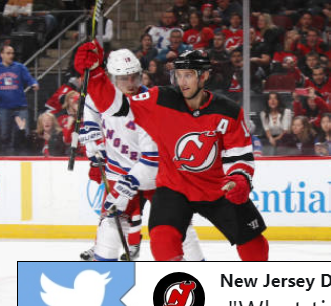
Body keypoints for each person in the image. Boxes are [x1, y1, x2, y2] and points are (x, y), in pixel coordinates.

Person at [75, 45, 269, 262]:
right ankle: (181, 289)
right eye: (178, 75)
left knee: (252, 240)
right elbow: (118, 107)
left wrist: (239, 179)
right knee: (162, 239)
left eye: (188, 75)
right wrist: (95, 74)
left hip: (216, 186)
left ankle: (258, 283)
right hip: (174, 187)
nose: (182, 82)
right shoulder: (160, 99)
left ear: (204, 76)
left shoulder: (229, 111)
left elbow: (239, 154)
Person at [78, 48, 207, 264]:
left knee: (178, 224)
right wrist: (93, 145)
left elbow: (155, 153)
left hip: (154, 174)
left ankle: (197, 266)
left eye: (134, 76)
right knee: (110, 222)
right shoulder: (104, 98)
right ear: (112, 78)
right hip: (118, 171)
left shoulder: (153, 101)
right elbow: (90, 106)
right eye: (123, 78)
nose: (130, 82)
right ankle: (104, 266)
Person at [0, 45, 39, 155]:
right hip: (4, 107)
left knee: (24, 132)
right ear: (1, 55)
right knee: (4, 135)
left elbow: (29, 78)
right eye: (8, 53)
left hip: (20, 106)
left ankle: (23, 156)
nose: (11, 56)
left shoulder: (20, 67)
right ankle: (6, 157)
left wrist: (34, 83)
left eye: (12, 53)